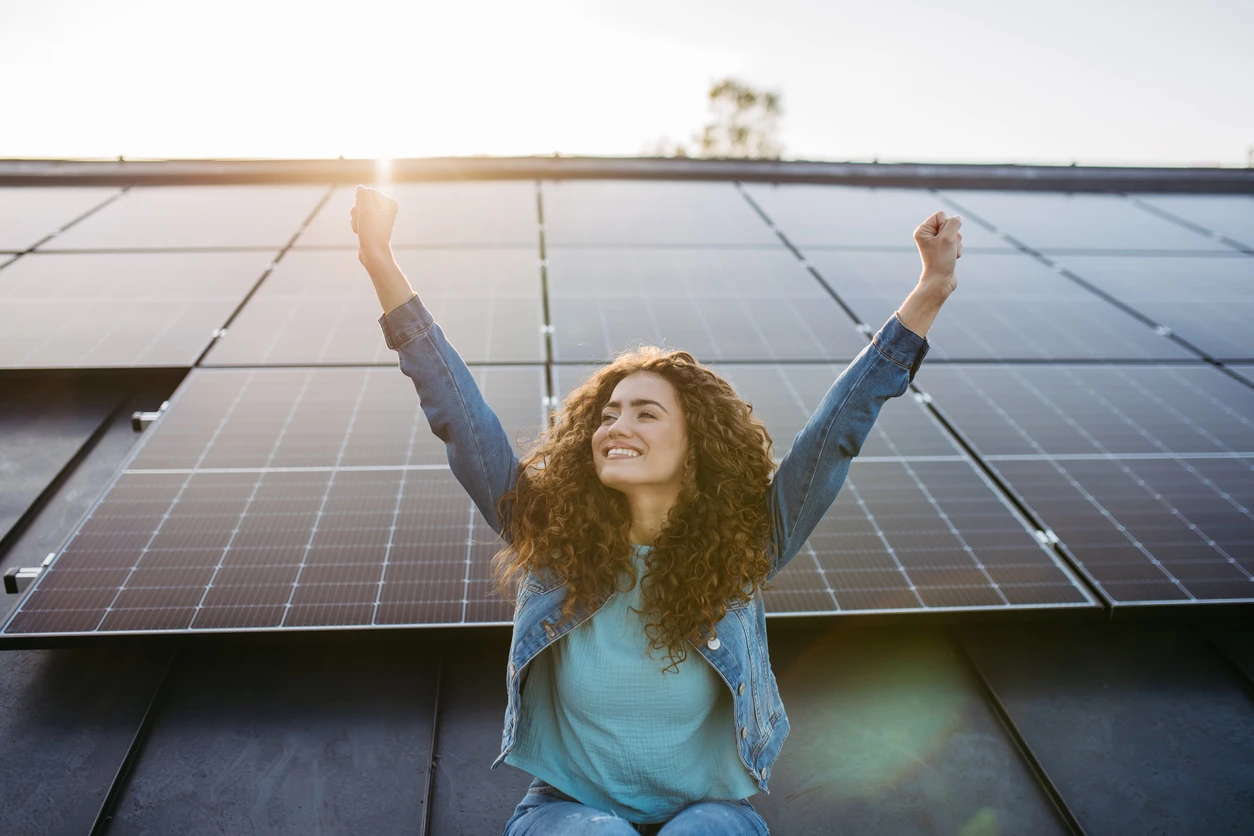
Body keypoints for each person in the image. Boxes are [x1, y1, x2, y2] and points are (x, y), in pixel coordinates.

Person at [352, 183, 962, 835]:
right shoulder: (552, 539)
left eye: (646, 412)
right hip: (568, 809)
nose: (617, 425)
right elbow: (457, 413)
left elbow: (839, 427)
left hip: (710, 812)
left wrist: (930, 288)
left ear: (696, 445)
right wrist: (379, 258)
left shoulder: (746, 545)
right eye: (607, 414)